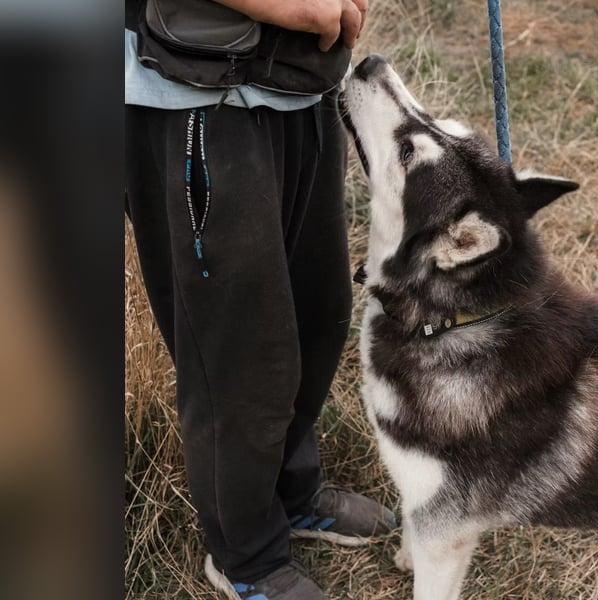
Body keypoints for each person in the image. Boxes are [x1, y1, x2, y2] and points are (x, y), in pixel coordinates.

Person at [124, 1, 395, 598]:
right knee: (242, 356)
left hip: (300, 85)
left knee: (315, 316)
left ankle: (293, 492)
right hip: (194, 94)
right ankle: (246, 554)